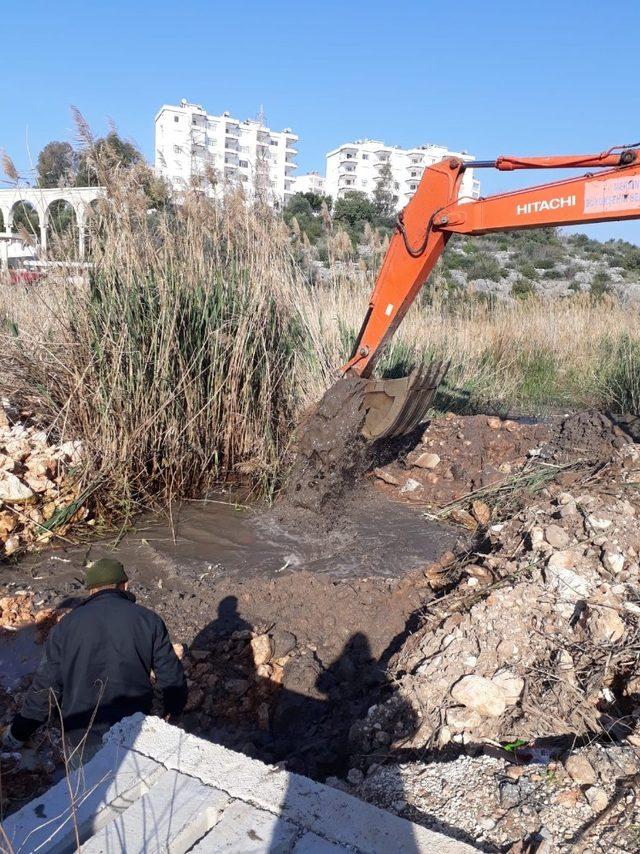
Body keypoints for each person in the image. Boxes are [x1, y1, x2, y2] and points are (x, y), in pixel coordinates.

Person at [2, 557, 187, 762]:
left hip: (81, 735)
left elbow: (46, 688)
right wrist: (173, 713)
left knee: (86, 782)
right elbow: (171, 677)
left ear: (91, 590)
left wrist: (18, 734)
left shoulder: (66, 626)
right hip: (132, 731)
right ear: (125, 585)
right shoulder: (149, 620)